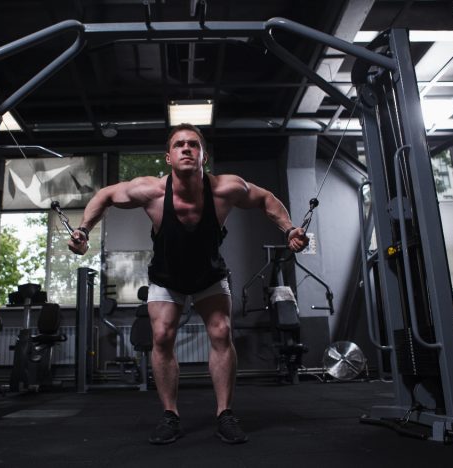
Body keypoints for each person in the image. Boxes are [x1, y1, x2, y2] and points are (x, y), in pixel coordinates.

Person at [68, 123, 309, 445]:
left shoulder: (226, 188)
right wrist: (83, 231)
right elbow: (106, 195)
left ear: (203, 155)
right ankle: (170, 415)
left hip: (210, 275)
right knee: (161, 336)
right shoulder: (150, 190)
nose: (186, 148)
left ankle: (225, 414)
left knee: (222, 332)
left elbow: (265, 198)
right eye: (179, 145)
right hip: (166, 278)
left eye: (193, 144)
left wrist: (289, 229)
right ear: (168, 157)